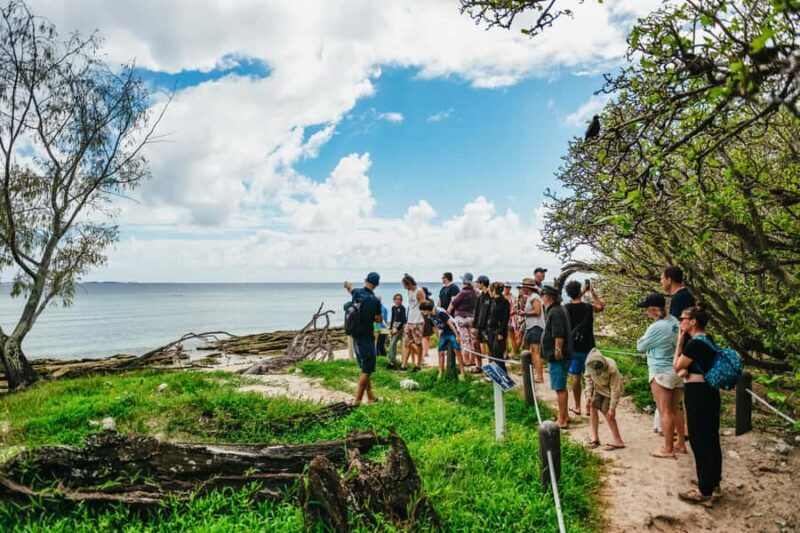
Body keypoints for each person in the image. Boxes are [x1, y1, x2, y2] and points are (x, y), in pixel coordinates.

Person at [674, 302, 723, 505]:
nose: (681, 323)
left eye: (683, 319)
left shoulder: (694, 344)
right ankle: (712, 481)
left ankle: (704, 490)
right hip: (710, 393)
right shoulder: (708, 340)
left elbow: (677, 365)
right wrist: (683, 370)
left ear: (693, 322)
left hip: (698, 393)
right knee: (711, 437)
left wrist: (679, 341)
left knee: (698, 439)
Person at [636, 292, 687, 458]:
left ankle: (668, 448)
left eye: (647, 309)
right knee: (676, 409)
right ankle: (680, 443)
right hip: (676, 370)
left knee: (664, 410)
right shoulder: (674, 322)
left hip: (660, 371)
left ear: (653, 309)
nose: (645, 313)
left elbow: (641, 346)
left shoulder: (656, 327)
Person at [565, 279, 605, 416]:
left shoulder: (566, 308)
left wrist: (580, 293)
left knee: (575, 377)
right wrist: (592, 292)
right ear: (580, 291)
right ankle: (590, 405)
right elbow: (601, 306)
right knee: (591, 377)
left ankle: (577, 406)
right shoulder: (588, 307)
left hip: (574, 347)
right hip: (589, 347)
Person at [343, 272, 383, 404]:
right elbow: (378, 320)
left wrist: (347, 285)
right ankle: (357, 401)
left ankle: (370, 397)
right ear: (376, 285)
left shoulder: (357, 293)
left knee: (365, 368)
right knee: (367, 370)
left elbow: (350, 289)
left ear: (365, 280)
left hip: (355, 335)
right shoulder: (375, 301)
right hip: (366, 337)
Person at [541, 284, 573, 429]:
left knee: (559, 387)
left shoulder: (555, 311)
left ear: (548, 296)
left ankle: (562, 420)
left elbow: (558, 333)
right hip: (562, 354)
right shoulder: (560, 308)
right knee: (561, 386)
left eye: (542, 295)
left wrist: (557, 350)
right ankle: (564, 415)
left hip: (558, 356)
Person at [584, 348, 625, 450]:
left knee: (607, 412)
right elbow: (588, 379)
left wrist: (612, 407)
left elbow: (615, 388)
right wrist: (588, 394)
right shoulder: (589, 365)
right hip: (598, 388)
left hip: (610, 391)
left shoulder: (612, 367)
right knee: (593, 408)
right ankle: (595, 438)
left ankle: (618, 441)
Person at [420, 300, 466, 380]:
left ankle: (462, 373)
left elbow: (450, 324)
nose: (421, 312)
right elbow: (434, 327)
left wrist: (457, 335)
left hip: (452, 331)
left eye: (422, 311)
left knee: (457, 351)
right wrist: (439, 337)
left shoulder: (440, 312)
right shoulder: (429, 316)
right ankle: (441, 372)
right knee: (440, 351)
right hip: (444, 332)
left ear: (426, 310)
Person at [518, 277, 545, 382]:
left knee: (535, 351)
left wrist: (525, 313)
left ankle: (539, 376)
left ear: (527, 288)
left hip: (536, 326)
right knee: (526, 348)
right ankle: (527, 370)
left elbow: (537, 311)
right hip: (531, 326)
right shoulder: (530, 297)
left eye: (523, 287)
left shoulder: (534, 297)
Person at [448, 273, 478, 368]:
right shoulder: (475, 292)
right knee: (472, 339)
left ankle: (466, 360)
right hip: (472, 318)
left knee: (465, 340)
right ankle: (473, 360)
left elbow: (453, 303)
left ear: (464, 281)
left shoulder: (463, 292)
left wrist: (448, 313)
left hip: (461, 318)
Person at [401, 273, 425, 372]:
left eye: (405, 286)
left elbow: (424, 305)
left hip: (418, 321)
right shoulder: (409, 292)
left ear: (409, 283)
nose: (405, 288)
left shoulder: (419, 292)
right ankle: (404, 365)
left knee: (418, 343)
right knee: (407, 343)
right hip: (409, 321)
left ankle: (418, 364)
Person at [487, 281, 510, 373]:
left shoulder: (504, 302)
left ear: (494, 291)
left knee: (498, 354)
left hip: (499, 330)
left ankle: (503, 375)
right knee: (493, 353)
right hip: (491, 330)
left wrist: (501, 332)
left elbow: (505, 318)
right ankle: (496, 374)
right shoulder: (492, 301)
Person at [472, 275, 492, 371]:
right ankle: (479, 365)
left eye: (478, 283)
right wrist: (474, 326)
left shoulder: (491, 296)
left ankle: (491, 367)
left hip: (488, 326)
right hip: (479, 326)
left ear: (482, 283)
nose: (476, 284)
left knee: (490, 347)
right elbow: (477, 311)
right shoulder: (480, 296)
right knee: (476, 343)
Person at [387, 293, 406, 369]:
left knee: (392, 344)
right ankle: (391, 361)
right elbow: (392, 319)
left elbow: (403, 320)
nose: (397, 301)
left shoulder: (402, 308)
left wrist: (396, 329)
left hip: (399, 327)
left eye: (399, 299)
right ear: (394, 300)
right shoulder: (393, 308)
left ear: (401, 301)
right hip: (393, 327)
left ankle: (392, 363)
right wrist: (391, 328)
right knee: (392, 345)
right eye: (396, 299)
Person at [503, 283, 521, 357]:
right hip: (504, 319)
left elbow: (516, 307)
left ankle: (515, 352)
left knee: (512, 336)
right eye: (506, 287)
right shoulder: (502, 297)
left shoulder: (514, 297)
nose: (507, 289)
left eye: (508, 287)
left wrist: (509, 314)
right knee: (504, 337)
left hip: (511, 319)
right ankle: (505, 353)